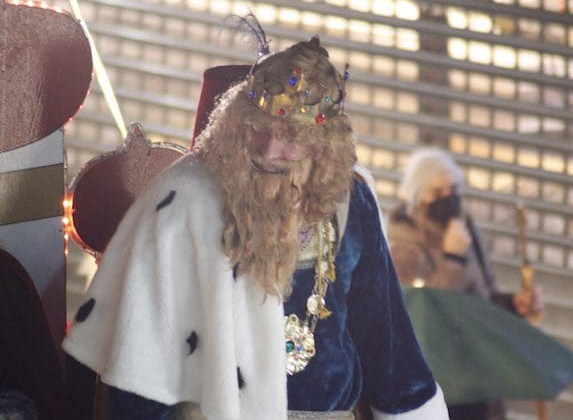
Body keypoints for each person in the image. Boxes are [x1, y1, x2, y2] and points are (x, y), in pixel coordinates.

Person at [62, 36, 448, 419]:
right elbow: (141, 363)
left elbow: (388, 344)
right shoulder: (184, 202)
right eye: (259, 128)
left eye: (290, 137)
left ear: (324, 143)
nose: (268, 150)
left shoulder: (350, 201)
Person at [386, 148, 543, 420]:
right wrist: (452, 258)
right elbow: (424, 316)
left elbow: (480, 299)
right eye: (437, 192)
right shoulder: (404, 245)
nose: (448, 198)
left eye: (453, 189)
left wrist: (512, 304)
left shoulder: (465, 231)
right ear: (417, 195)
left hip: (477, 372)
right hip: (442, 380)